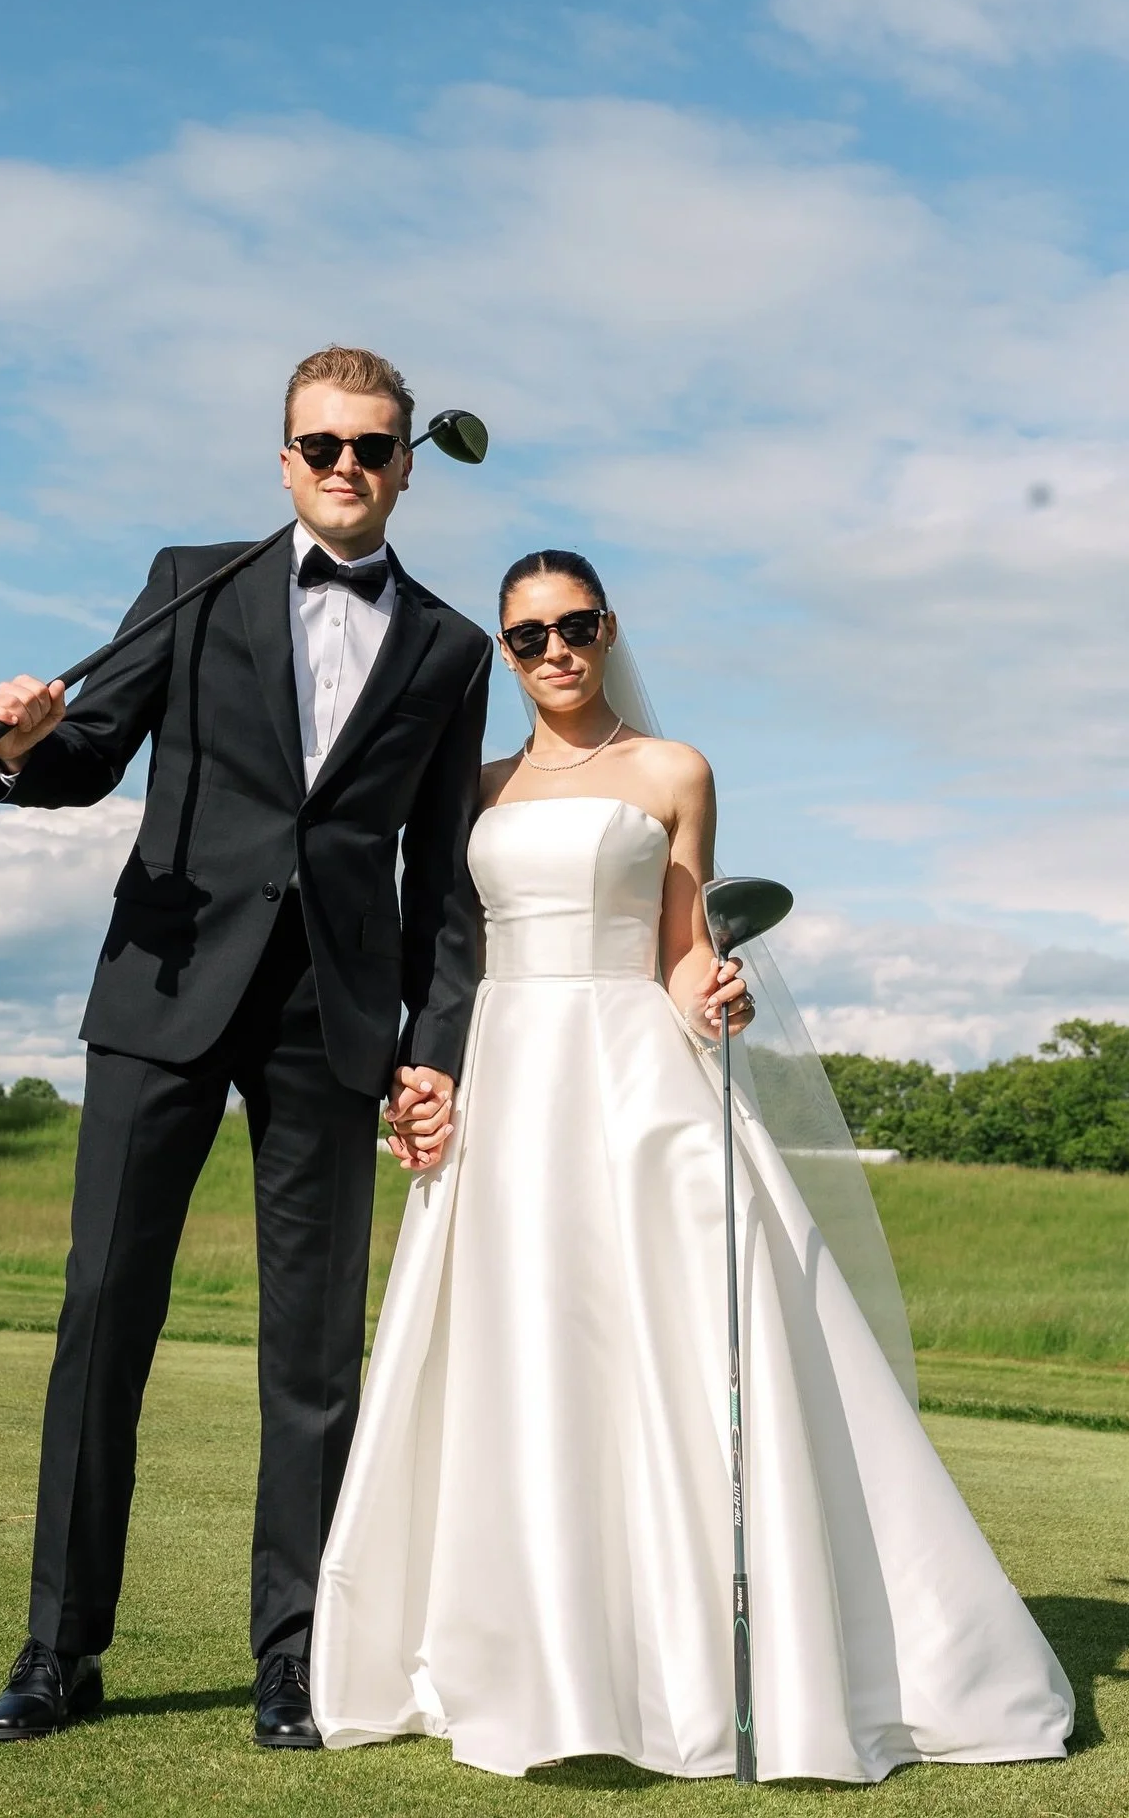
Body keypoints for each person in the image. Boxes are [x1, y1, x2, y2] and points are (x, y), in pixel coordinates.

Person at [310, 548, 1074, 1781]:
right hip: (511, 1081)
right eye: (527, 636)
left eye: (575, 625)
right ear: (504, 654)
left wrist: (711, 993)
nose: (554, 650)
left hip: (634, 1076)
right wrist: (426, 1074)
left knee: (678, 1342)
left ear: (609, 630)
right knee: (522, 1353)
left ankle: (701, 1663)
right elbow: (449, 953)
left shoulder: (675, 772)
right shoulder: (477, 786)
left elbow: (679, 943)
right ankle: (528, 1658)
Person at [0, 347, 492, 1748]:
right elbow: (88, 752)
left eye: (372, 448)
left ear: (405, 466)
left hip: (333, 1020)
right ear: (283, 458)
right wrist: (26, 745)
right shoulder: (192, 579)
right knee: (102, 1318)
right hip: (161, 996)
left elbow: (443, 878)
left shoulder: (451, 649)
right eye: (320, 445)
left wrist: (434, 1044)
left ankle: (298, 1661)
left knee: (314, 1352)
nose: (346, 467)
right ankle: (56, 1653)